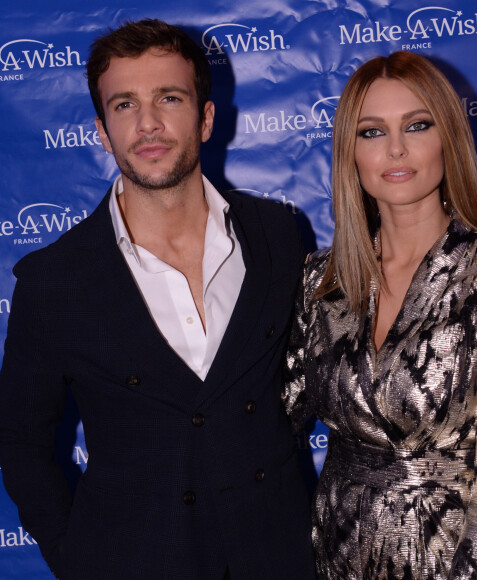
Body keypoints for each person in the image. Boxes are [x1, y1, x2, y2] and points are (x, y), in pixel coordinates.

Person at [0, 19, 315, 580]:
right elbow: (22, 448)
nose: (147, 123)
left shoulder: (278, 237)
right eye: (124, 105)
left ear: (207, 117)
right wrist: (79, 561)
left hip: (277, 557)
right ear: (102, 130)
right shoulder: (54, 281)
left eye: (169, 97)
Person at [284, 51, 477, 579]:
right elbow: (273, 421)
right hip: (329, 557)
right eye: (372, 132)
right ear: (349, 153)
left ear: (447, 137)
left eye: (417, 125)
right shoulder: (320, 279)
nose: (396, 149)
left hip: (446, 561)